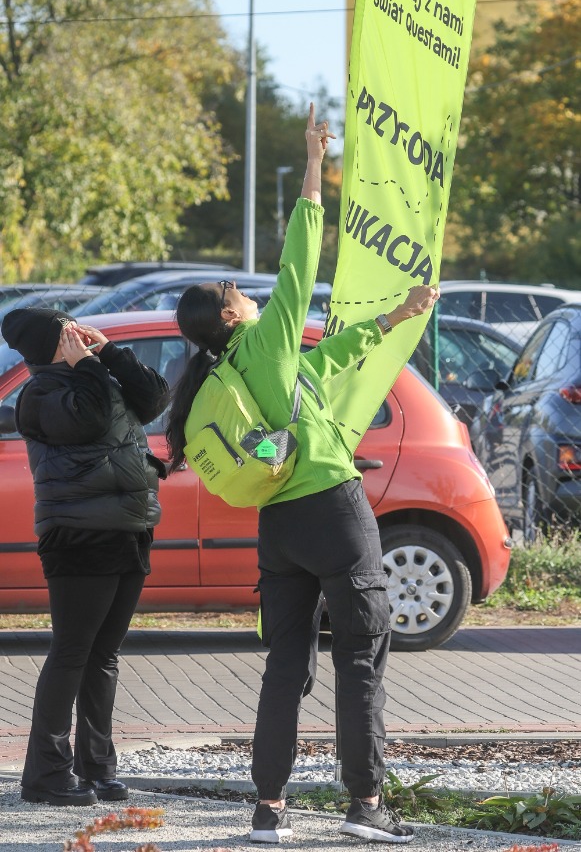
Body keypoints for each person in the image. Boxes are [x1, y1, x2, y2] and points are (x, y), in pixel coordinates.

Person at [166, 104, 439, 844]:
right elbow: (301, 255)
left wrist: (395, 317)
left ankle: (269, 810)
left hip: (277, 526)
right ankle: (365, 806)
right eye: (236, 293)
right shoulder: (266, 334)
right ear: (230, 315)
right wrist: (316, 161)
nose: (249, 293)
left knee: (286, 662)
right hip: (331, 508)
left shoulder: (235, 370)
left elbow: (329, 361)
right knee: (361, 653)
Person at [0, 307, 169, 807]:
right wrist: (90, 367)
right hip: (77, 535)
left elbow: (154, 398)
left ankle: (96, 767)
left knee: (104, 655)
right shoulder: (41, 395)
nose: (76, 334)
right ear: (52, 344)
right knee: (73, 651)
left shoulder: (93, 375)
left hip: (128, 528)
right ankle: (46, 776)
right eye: (66, 330)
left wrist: (112, 352)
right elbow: (89, 420)